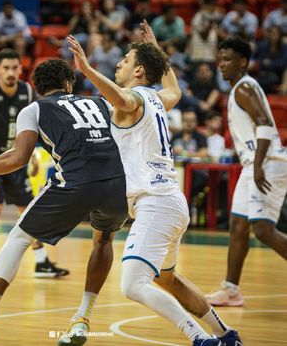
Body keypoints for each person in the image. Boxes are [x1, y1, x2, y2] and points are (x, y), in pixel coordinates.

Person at [64, 21, 242, 346]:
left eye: (125, 61)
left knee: (132, 284)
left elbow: (121, 98)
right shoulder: (159, 99)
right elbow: (175, 89)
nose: (118, 64)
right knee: (168, 279)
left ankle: (201, 339)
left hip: (156, 204)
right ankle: (226, 335)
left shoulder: (133, 99)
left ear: (139, 72)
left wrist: (88, 70)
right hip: (171, 201)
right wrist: (158, 49)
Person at [0, 57, 128, 346]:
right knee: (104, 241)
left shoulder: (33, 108)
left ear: (37, 87)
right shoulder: (99, 103)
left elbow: (18, 158)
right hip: (117, 185)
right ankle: (82, 319)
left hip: (75, 183)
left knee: (18, 239)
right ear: (69, 83)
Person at [0, 48, 68, 279]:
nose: (10, 72)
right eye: (6, 68)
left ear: (21, 69)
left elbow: (36, 127)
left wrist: (36, 156)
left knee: (28, 209)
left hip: (15, 160)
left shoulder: (27, 91)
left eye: (14, 68)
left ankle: (41, 262)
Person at [206, 36, 287, 307]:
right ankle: (231, 289)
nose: (221, 64)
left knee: (262, 229)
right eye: (220, 59)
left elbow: (264, 124)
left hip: (267, 162)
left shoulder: (244, 88)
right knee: (238, 224)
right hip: (253, 163)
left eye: (228, 59)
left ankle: (231, 288)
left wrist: (260, 164)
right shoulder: (240, 88)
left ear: (243, 62)